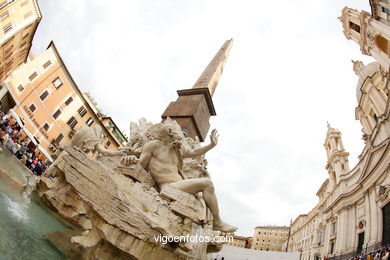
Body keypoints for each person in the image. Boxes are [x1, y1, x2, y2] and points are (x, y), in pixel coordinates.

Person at [137, 123, 237, 233]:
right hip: (167, 187)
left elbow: (193, 152)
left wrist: (211, 145)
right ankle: (218, 222)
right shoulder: (153, 146)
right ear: (169, 132)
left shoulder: (176, 148)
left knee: (204, 195)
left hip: (179, 185)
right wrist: (131, 158)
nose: (180, 137)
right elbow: (140, 165)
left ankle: (210, 224)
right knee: (207, 183)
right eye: (176, 133)